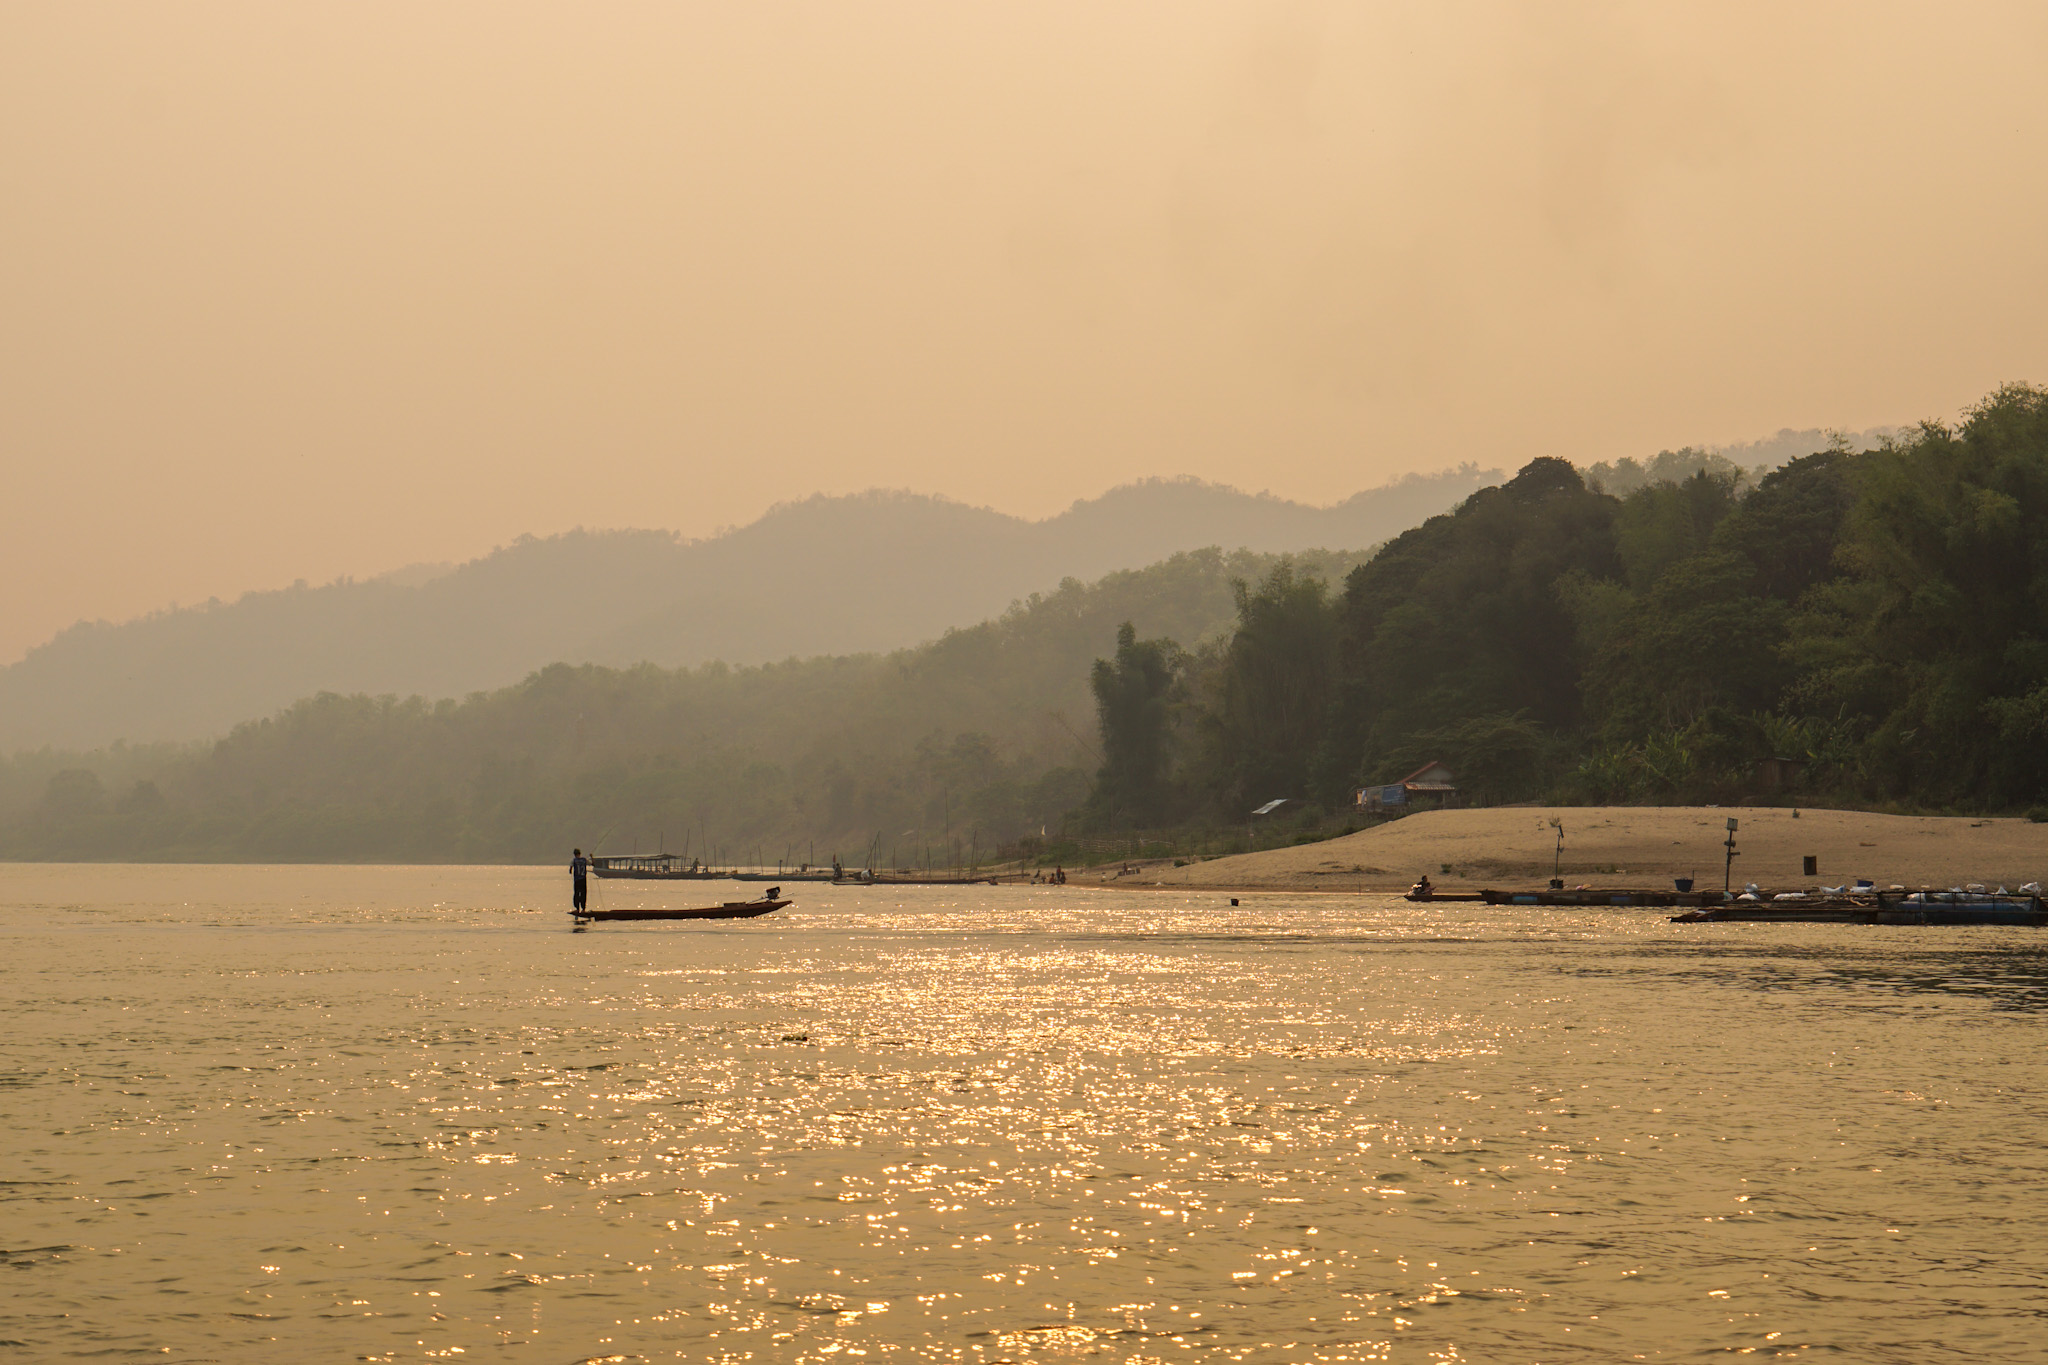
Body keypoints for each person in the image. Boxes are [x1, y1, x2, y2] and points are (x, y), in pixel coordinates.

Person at [570, 848, 590, 912]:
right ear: (580, 853)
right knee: (583, 893)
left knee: (576, 894)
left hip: (577, 880)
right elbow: (592, 864)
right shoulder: (584, 860)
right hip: (583, 879)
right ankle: (583, 909)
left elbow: (570, 870)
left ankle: (577, 908)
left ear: (574, 854)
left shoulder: (573, 860)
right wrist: (592, 857)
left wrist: (571, 871)